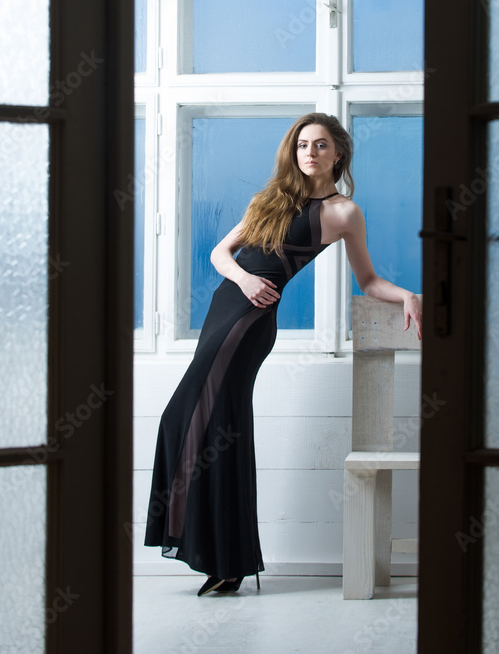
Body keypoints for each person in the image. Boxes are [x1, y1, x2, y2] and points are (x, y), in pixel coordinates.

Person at [144, 112, 422, 596]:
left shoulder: (344, 212)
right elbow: (220, 253)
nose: (310, 152)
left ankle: (225, 559)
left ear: (338, 153)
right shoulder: (271, 198)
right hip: (225, 308)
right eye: (302, 145)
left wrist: (408, 296)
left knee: (209, 422)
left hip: (250, 324)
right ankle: (225, 558)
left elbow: (369, 280)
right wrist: (245, 279)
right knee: (198, 423)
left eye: (320, 145)